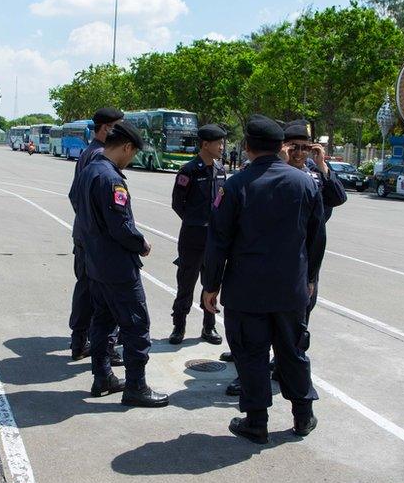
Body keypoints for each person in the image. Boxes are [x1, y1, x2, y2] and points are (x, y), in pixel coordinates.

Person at [203, 115, 325, 444]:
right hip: (290, 289)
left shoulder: (235, 185)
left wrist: (211, 285)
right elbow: (317, 238)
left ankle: (257, 422)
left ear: (247, 147)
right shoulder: (305, 183)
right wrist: (310, 277)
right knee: (293, 352)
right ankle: (303, 415)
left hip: (247, 291)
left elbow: (218, 241)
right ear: (280, 147)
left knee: (251, 354)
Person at [224, 120, 346, 396]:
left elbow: (337, 199)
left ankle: (282, 369)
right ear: (282, 146)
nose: (301, 153)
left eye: (306, 147)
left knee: (293, 332)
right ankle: (250, 379)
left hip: (300, 265)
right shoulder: (261, 171)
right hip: (262, 265)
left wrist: (323, 165)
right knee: (256, 332)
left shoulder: (313, 176)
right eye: (295, 147)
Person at [76, 120, 169, 408]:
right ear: (126, 147)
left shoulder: (88, 169)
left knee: (103, 323)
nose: (131, 160)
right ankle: (136, 387)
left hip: (94, 261)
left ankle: (102, 377)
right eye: (133, 154)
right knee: (136, 325)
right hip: (117, 266)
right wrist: (141, 244)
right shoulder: (110, 178)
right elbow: (121, 226)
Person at [67, 107, 125, 362]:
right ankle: (103, 348)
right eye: (117, 127)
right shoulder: (100, 156)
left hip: (85, 235)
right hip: (95, 239)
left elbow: (74, 195)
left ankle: (80, 341)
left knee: (86, 288)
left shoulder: (88, 152)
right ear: (105, 128)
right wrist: (95, 226)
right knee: (103, 292)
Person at [169, 124, 228, 346]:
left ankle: (208, 326)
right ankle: (179, 326)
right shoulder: (189, 170)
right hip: (193, 238)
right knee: (186, 283)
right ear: (205, 144)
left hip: (215, 238)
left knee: (211, 282)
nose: (222, 147)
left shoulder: (221, 170)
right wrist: (194, 221)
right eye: (219, 143)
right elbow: (177, 203)